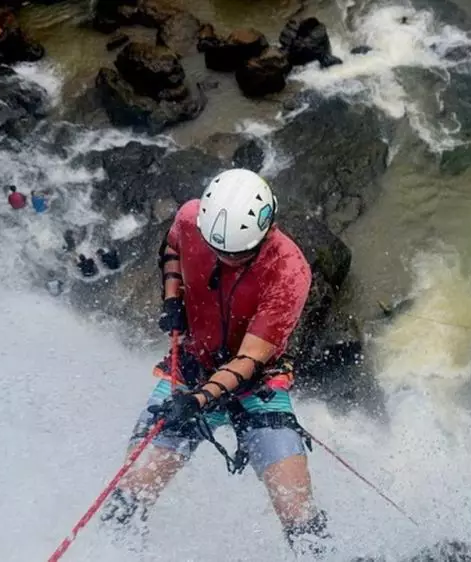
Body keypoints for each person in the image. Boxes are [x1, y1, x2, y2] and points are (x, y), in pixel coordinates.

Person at [99, 168, 330, 557]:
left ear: (266, 229)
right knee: (127, 497)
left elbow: (251, 360)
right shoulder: (192, 218)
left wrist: (196, 401)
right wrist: (172, 299)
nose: (225, 259)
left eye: (236, 255)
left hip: (255, 385)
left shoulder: (289, 271)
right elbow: (173, 246)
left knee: (299, 514)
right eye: (218, 250)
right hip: (191, 366)